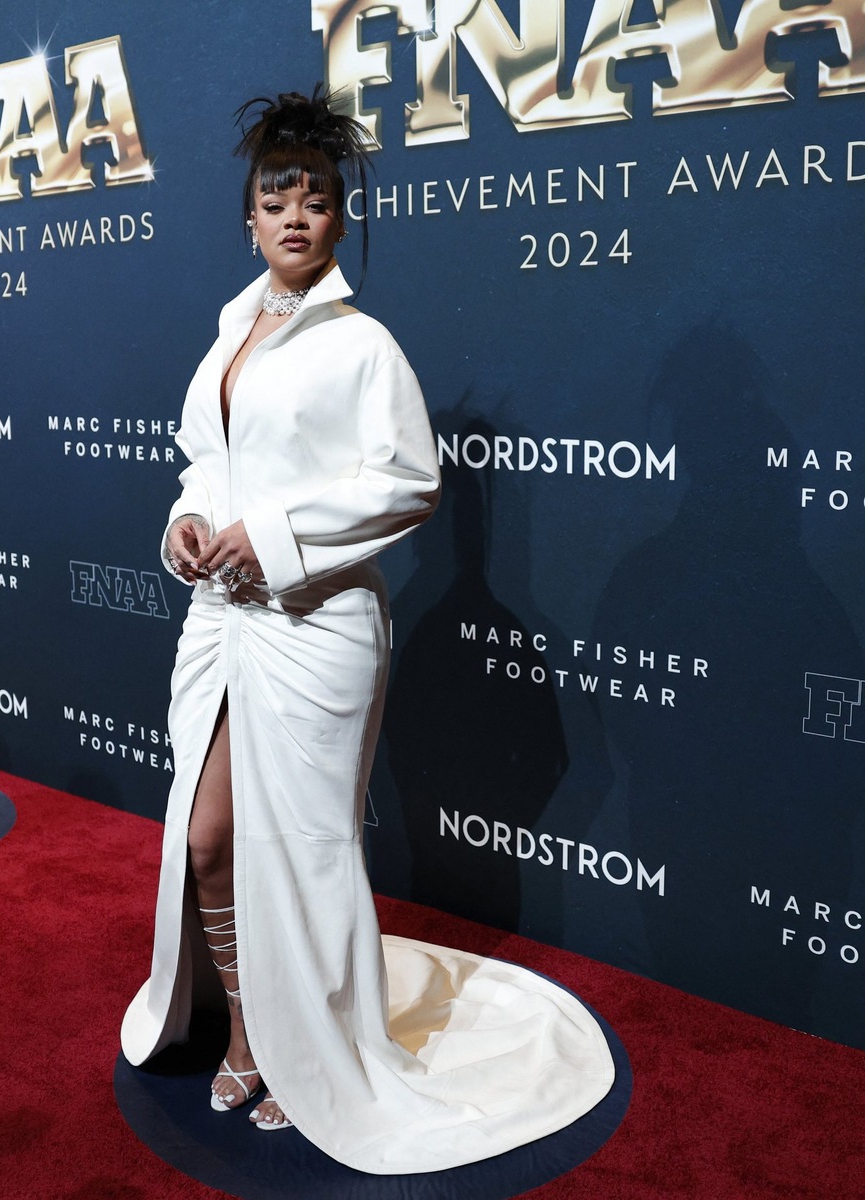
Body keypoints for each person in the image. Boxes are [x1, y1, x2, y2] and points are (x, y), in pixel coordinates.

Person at [121, 87, 615, 1174]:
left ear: (340, 220)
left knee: (306, 851)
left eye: (313, 199)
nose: (293, 216)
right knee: (205, 839)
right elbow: (204, 462)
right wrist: (189, 524)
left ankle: (288, 1045)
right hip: (219, 618)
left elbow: (407, 482)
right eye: (274, 199)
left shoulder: (363, 343)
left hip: (315, 623)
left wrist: (271, 535)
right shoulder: (228, 333)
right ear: (247, 220)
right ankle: (247, 1016)